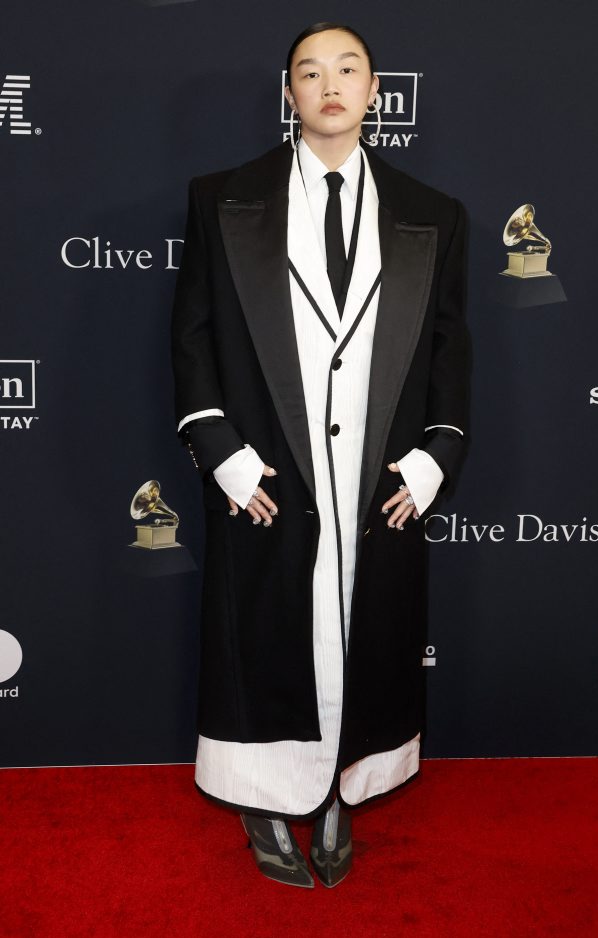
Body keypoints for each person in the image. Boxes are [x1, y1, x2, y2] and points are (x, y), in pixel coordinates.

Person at [170, 22, 470, 889]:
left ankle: (344, 784)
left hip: (381, 476)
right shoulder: (221, 200)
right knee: (264, 627)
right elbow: (192, 335)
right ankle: (264, 794)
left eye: (347, 69)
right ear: (289, 93)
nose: (329, 85)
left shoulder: (433, 213)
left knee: (367, 630)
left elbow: (450, 347)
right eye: (310, 72)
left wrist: (435, 457)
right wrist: (221, 451)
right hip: (265, 471)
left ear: (375, 90)